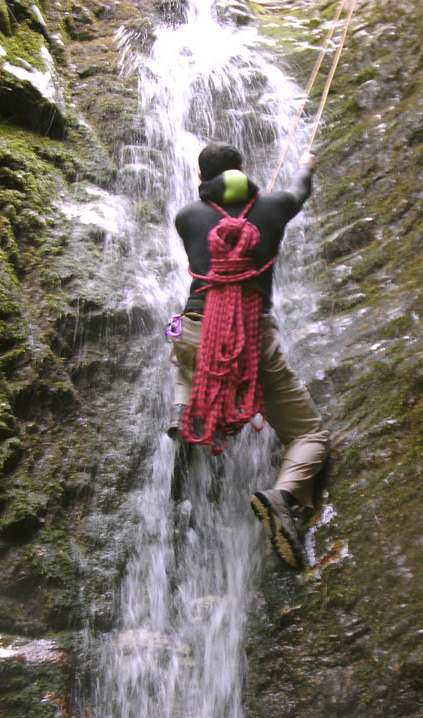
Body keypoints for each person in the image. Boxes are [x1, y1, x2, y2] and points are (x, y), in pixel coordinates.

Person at [167, 141, 330, 570]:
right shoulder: (275, 207)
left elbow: (222, 209)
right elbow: (298, 190)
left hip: (197, 329)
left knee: (178, 341)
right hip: (250, 341)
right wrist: (304, 166)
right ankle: (284, 496)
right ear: (242, 170)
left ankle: (184, 410)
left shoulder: (187, 217)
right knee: (309, 435)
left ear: (202, 180)